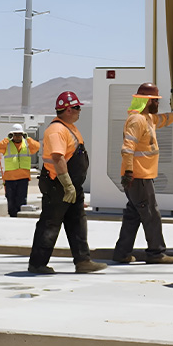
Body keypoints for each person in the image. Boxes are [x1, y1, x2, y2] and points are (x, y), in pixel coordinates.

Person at [27, 91, 106, 275]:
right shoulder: (57, 130)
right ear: (68, 109)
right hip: (58, 186)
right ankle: (37, 264)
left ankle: (83, 261)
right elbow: (58, 157)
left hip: (71, 187)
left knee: (77, 223)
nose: (79, 111)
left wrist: (73, 187)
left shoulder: (69, 127)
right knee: (50, 224)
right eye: (77, 108)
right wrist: (67, 184)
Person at [112, 83, 173, 264]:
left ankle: (122, 253)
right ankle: (156, 253)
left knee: (134, 215)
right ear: (147, 101)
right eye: (155, 101)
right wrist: (129, 172)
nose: (157, 104)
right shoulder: (137, 120)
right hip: (139, 177)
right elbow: (127, 148)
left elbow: (163, 119)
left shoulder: (148, 119)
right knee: (151, 215)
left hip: (141, 177)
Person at [0, 123, 39, 218]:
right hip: (10, 177)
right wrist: (7, 138)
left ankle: (20, 215)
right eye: (15, 135)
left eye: (19, 135)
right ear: (12, 135)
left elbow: (36, 147)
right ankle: (12, 216)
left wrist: (28, 138)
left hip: (23, 177)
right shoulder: (7, 145)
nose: (17, 137)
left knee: (22, 199)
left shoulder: (26, 144)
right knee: (10, 199)